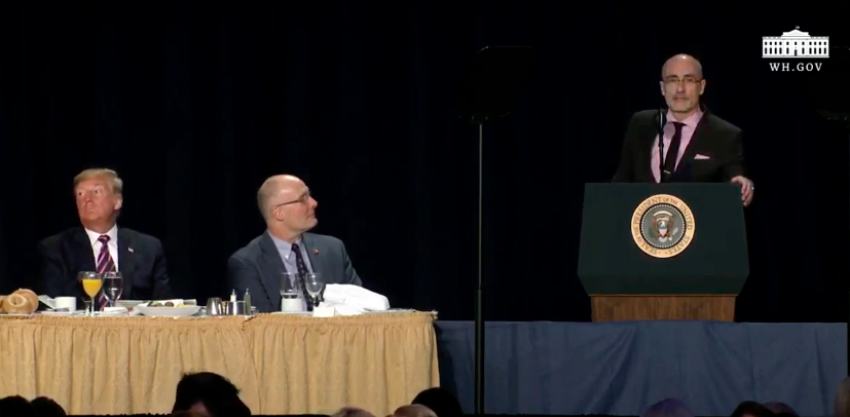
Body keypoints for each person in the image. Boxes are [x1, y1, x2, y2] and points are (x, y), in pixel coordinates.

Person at [613, 54, 755, 207]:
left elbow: (734, 180)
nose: (680, 89)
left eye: (689, 80)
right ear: (662, 88)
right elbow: (621, 182)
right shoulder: (640, 124)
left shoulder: (725, 135)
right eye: (673, 80)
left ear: (702, 87)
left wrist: (744, 185)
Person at [227, 174, 362, 312]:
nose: (313, 203)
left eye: (309, 195)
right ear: (278, 213)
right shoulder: (248, 263)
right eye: (303, 199)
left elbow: (362, 305)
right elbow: (260, 324)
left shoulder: (333, 249)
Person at [37, 168, 172, 304]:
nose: (87, 199)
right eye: (80, 194)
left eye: (96, 192)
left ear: (117, 201)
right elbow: (52, 305)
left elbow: (163, 305)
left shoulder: (148, 248)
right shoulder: (56, 248)